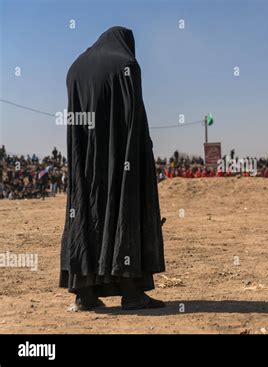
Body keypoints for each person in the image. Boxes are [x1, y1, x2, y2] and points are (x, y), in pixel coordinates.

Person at [60, 26, 166, 311]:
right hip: (122, 159)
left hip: (85, 161)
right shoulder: (127, 64)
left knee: (86, 212)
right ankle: (132, 293)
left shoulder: (75, 68)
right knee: (124, 213)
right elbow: (134, 119)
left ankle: (84, 294)